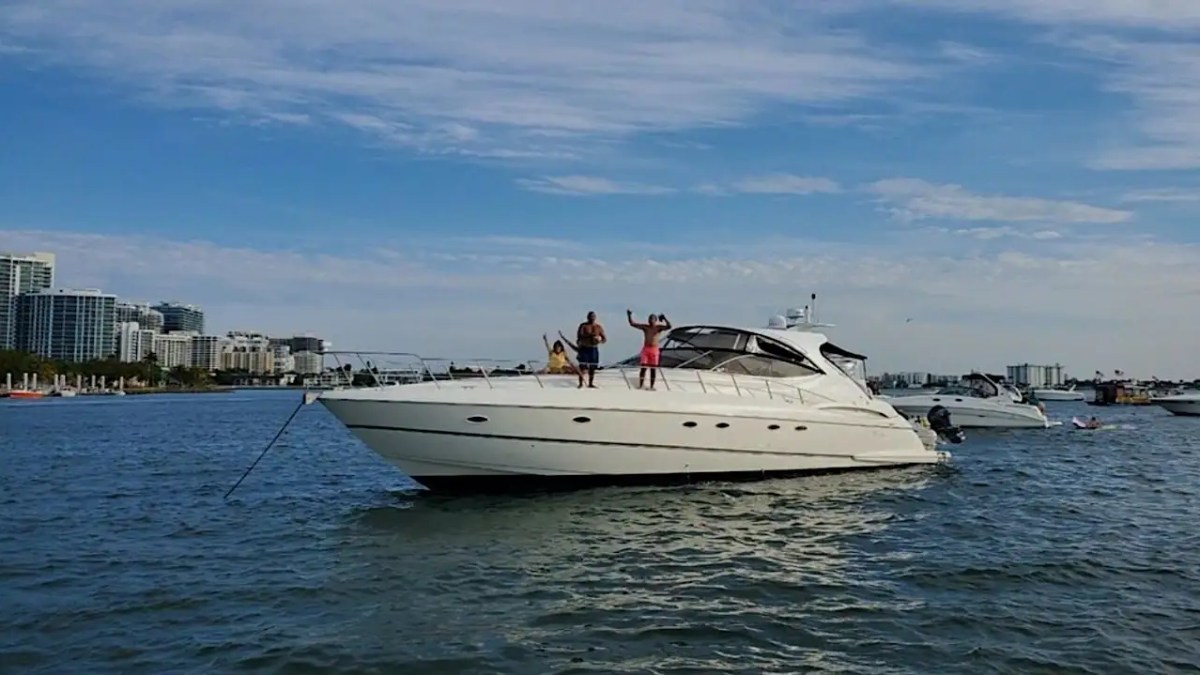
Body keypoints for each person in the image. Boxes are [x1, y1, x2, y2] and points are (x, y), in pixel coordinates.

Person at [627, 309, 671, 390]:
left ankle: (651, 386)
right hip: (646, 349)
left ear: (655, 320)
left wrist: (664, 318)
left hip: (654, 349)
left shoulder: (659, 328)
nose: (650, 320)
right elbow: (632, 324)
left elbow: (669, 326)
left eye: (652, 319)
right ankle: (640, 385)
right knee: (643, 367)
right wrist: (629, 315)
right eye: (649, 319)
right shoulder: (645, 327)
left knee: (653, 369)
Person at [573, 311, 606, 388]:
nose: (592, 318)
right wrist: (590, 335)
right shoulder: (583, 326)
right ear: (587, 317)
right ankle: (580, 383)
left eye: (593, 316)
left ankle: (590, 383)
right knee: (582, 366)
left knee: (593, 366)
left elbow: (604, 339)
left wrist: (599, 340)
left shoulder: (598, 327)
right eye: (590, 316)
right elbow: (579, 336)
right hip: (584, 348)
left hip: (593, 348)